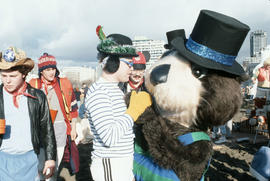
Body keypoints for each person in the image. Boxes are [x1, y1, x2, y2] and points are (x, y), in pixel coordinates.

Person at [84, 26, 152, 181]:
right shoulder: (100, 92)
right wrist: (133, 111)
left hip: (121, 163)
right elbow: (110, 136)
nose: (132, 68)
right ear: (112, 62)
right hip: (110, 164)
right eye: (128, 63)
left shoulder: (114, 89)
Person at [0, 47, 56, 180]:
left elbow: (47, 129)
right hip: (3, 159)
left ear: (24, 74)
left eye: (13, 76)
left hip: (31, 159)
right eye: (3, 75)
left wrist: (50, 158)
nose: (7, 81)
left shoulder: (37, 96)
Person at [29, 53, 79, 180]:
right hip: (39, 129)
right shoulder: (33, 84)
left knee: (55, 164)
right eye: (47, 69)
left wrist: (73, 128)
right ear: (41, 71)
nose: (51, 72)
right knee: (39, 164)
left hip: (60, 127)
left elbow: (73, 108)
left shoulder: (64, 83)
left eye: (53, 69)